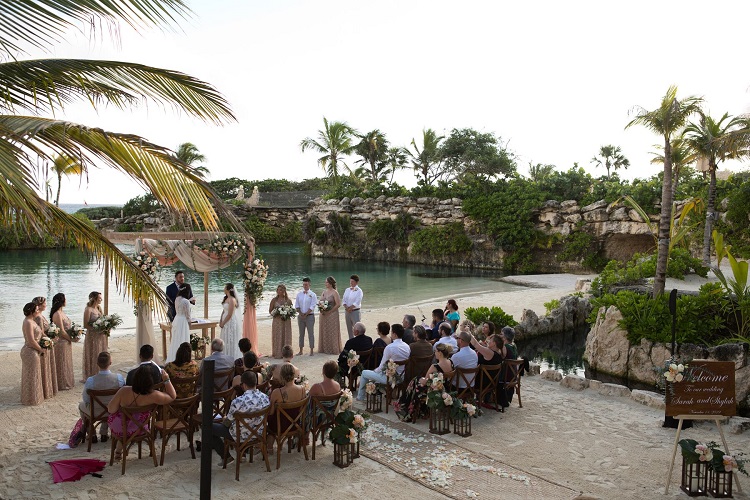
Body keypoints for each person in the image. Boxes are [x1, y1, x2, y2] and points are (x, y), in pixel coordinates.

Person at [107, 365, 176, 461]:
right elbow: (172, 396)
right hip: (140, 428)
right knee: (131, 425)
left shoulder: (124, 390)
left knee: (123, 424)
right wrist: (167, 380)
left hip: (120, 428)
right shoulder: (154, 395)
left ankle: (119, 448)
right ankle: (120, 447)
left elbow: (111, 409)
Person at [211, 370, 270, 466]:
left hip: (241, 435)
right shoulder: (265, 398)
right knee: (244, 424)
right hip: (259, 433)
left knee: (208, 428)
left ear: (244, 385)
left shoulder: (238, 401)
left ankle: (226, 457)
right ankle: (244, 453)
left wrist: (224, 418)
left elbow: (227, 423)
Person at [395, 343, 454, 422]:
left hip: (434, 391)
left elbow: (425, 381)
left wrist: (419, 379)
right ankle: (410, 406)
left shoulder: (435, 366)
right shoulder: (451, 362)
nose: (435, 353)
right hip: (445, 389)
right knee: (416, 380)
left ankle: (405, 406)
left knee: (415, 381)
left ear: (440, 353)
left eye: (435, 351)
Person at [79, 352, 125, 443]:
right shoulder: (118, 378)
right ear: (110, 363)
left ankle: (91, 433)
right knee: (109, 403)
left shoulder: (91, 380)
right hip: (113, 410)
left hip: (96, 412)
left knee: (81, 405)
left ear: (97, 364)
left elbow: (86, 399)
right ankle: (104, 433)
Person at [356, 323, 410, 401]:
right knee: (374, 374)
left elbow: (381, 367)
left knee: (364, 373)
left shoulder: (390, 348)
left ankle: (360, 397)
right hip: (402, 376)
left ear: (394, 334)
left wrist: (374, 372)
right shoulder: (407, 346)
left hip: (389, 378)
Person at [266, 364, 306, 454]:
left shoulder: (277, 392)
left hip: (280, 426)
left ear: (282, 376)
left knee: (270, 423)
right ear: (293, 375)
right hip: (296, 424)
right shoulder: (302, 389)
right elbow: (302, 409)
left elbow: (271, 412)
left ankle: (269, 448)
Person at [470, 332, 504, 408]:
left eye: (490, 341)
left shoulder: (489, 353)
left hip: (481, 383)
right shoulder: (498, 352)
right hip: (492, 383)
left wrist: (469, 333)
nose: (488, 341)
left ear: (494, 344)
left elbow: (476, 344)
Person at [33, 296, 58, 398]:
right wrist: (50, 339)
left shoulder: (39, 315)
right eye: (44, 303)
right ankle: (45, 387)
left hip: (46, 341)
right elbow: (41, 332)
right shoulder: (38, 317)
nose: (46, 304)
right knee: (44, 365)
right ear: (39, 305)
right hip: (44, 342)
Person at [50, 293, 76, 390]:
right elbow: (61, 331)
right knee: (62, 361)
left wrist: (74, 334)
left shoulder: (62, 313)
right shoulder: (57, 314)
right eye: (65, 299)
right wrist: (71, 338)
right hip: (61, 342)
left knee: (66, 362)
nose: (66, 301)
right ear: (62, 301)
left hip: (66, 341)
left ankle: (67, 381)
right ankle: (61, 383)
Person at [20, 302, 44, 406]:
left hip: (34, 350)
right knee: (31, 375)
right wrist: (41, 349)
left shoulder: (31, 321)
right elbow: (30, 340)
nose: (38, 311)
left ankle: (34, 397)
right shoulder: (28, 322)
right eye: (37, 310)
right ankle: (30, 399)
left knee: (34, 374)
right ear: (31, 311)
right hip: (30, 351)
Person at [82, 291, 107, 381]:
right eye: (99, 298)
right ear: (94, 298)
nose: (101, 299)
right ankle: (92, 374)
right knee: (93, 353)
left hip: (100, 335)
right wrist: (96, 329)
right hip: (93, 335)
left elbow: (103, 320)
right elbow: (85, 325)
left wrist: (106, 328)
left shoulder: (99, 308)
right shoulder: (88, 309)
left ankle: (100, 372)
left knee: (100, 352)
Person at [166, 285, 192, 363]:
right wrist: (189, 324)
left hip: (177, 319)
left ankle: (173, 357)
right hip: (183, 321)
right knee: (183, 339)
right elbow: (188, 315)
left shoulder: (177, 299)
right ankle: (184, 359)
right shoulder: (186, 301)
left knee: (176, 339)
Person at [317, 276, 342, 355]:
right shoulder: (324, 292)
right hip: (324, 314)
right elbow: (320, 301)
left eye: (327, 282)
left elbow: (338, 304)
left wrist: (330, 311)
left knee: (332, 331)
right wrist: (321, 307)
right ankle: (324, 348)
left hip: (332, 314)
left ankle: (333, 348)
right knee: (324, 329)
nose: (325, 283)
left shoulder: (335, 292)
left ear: (331, 283)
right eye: (325, 282)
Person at [268, 284, 293, 359]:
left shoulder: (288, 300)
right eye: (279, 290)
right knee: (277, 336)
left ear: (284, 291)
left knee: (286, 336)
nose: (280, 291)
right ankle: (277, 353)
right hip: (277, 321)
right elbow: (270, 311)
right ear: (277, 291)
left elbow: (291, 311)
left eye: (282, 290)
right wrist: (276, 313)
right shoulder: (274, 300)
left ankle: (287, 353)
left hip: (286, 322)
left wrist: (286, 313)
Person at [294, 277, 317, 357]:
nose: (305, 286)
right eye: (304, 284)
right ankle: (301, 350)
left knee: (311, 333)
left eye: (306, 284)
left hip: (309, 316)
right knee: (301, 333)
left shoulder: (313, 295)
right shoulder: (299, 294)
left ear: (309, 284)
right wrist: (300, 313)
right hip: (300, 316)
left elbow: (312, 306)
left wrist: (306, 314)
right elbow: (296, 305)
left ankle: (311, 350)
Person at [219, 283, 242, 360]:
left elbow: (230, 314)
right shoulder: (226, 298)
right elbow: (223, 311)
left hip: (230, 322)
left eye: (225, 287)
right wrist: (220, 320)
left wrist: (223, 322)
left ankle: (231, 356)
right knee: (225, 338)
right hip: (225, 321)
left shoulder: (232, 300)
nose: (223, 288)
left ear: (228, 289)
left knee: (230, 339)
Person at [341, 274, 363, 340]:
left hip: (355, 311)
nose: (351, 283)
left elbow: (357, 302)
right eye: (350, 281)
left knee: (357, 329)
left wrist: (350, 308)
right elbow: (344, 300)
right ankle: (351, 342)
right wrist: (346, 308)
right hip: (347, 311)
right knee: (349, 328)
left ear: (356, 282)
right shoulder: (347, 290)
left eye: (352, 281)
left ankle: (359, 342)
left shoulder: (359, 291)